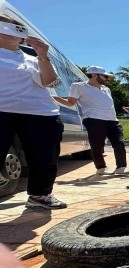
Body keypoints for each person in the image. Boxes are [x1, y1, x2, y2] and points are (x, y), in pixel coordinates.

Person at [0, 14, 66, 209]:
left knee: (45, 158)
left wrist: (43, 56)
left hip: (41, 113)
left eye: (18, 29)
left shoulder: (33, 59)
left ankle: (40, 195)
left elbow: (52, 82)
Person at [54, 66, 129, 176]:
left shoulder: (106, 89)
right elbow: (70, 102)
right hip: (94, 119)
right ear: (94, 75)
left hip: (113, 120)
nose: (107, 79)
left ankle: (121, 167)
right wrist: (53, 98)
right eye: (105, 76)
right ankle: (101, 168)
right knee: (97, 145)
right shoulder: (78, 86)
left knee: (119, 143)